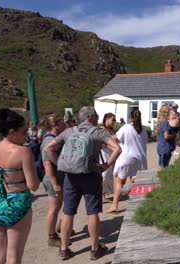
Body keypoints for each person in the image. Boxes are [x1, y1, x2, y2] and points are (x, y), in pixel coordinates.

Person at [45, 106, 121, 260]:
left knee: (67, 212)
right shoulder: (98, 132)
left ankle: (64, 249)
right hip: (91, 175)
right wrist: (106, 165)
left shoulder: (69, 132)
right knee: (92, 212)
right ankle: (94, 249)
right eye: (97, 115)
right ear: (91, 117)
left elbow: (48, 149)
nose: (98, 118)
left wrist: (60, 163)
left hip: (70, 177)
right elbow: (117, 148)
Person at [0, 109, 40, 263]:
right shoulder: (23, 152)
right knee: (13, 258)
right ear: (12, 132)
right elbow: (34, 185)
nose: (27, 136)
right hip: (17, 205)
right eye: (24, 132)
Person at [106, 110, 148, 213]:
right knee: (136, 181)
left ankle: (114, 205)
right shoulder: (144, 130)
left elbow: (113, 139)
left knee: (120, 182)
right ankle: (139, 204)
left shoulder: (126, 127)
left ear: (130, 118)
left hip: (126, 157)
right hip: (140, 159)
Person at [39, 114, 67, 247]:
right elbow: (47, 163)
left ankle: (63, 227)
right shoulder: (48, 140)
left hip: (58, 178)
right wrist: (55, 183)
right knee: (54, 208)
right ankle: (52, 236)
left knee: (59, 205)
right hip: (53, 179)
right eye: (62, 122)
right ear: (56, 124)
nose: (65, 124)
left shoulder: (55, 138)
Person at [100, 113, 117, 203]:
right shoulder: (102, 130)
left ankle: (105, 194)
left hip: (111, 154)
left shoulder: (111, 130)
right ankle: (102, 195)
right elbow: (100, 143)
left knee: (109, 175)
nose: (114, 121)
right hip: (103, 154)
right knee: (104, 175)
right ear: (107, 119)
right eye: (113, 119)